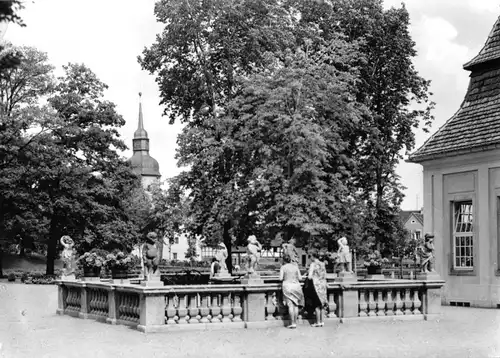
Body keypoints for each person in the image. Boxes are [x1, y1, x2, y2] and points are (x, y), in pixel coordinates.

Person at [279, 253, 304, 329]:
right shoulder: (295, 267)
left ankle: (292, 323)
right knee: (295, 305)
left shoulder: (283, 267)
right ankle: (295, 323)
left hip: (287, 286)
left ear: (284, 260)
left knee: (290, 305)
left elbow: (280, 278)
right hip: (296, 286)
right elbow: (300, 278)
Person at [307, 249, 327, 327]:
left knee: (316, 304)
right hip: (323, 285)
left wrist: (309, 274)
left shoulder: (313, 264)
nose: (309, 258)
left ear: (312, 256)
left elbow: (309, 277)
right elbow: (325, 275)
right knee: (322, 304)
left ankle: (318, 322)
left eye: (310, 256)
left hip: (316, 285)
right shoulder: (323, 264)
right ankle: (322, 321)